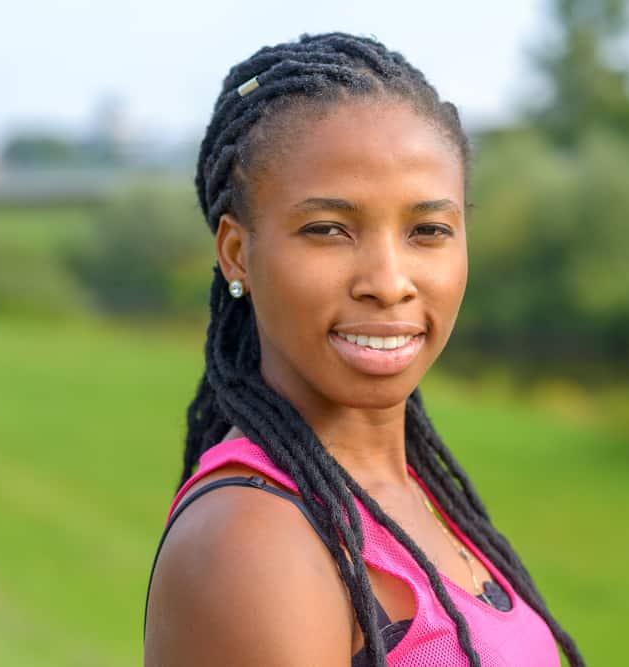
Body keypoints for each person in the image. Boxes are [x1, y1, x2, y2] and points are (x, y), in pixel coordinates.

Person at [143, 32, 585, 667]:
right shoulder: (253, 541)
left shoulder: (407, 495)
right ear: (237, 252)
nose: (387, 282)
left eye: (427, 230)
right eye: (328, 229)